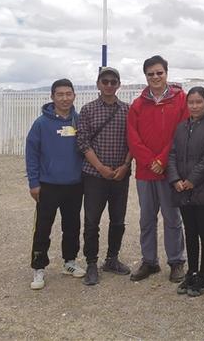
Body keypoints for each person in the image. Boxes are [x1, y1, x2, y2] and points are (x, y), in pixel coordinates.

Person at [127, 55, 188, 283]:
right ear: (146, 76)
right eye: (151, 74)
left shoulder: (180, 99)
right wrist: (148, 160)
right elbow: (132, 137)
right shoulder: (137, 104)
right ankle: (149, 261)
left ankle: (176, 261)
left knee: (172, 217)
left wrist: (162, 160)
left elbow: (181, 132)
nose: (155, 77)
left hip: (170, 170)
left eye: (159, 73)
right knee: (147, 219)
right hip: (145, 172)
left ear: (166, 73)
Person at [25, 78, 85, 290]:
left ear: (74, 96)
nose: (64, 98)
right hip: (48, 185)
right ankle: (38, 267)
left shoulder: (79, 121)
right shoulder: (41, 124)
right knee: (43, 227)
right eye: (60, 94)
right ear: (52, 97)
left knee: (72, 226)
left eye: (68, 94)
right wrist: (33, 183)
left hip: (74, 184)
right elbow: (31, 154)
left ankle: (69, 262)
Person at [77, 67, 132, 286]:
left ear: (119, 85)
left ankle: (112, 258)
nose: (109, 85)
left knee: (118, 220)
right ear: (98, 84)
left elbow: (134, 141)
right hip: (94, 175)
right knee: (92, 222)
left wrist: (125, 166)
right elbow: (83, 142)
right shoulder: (88, 110)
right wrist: (100, 168)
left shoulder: (128, 110)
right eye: (105, 81)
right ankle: (91, 262)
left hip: (120, 175)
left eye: (113, 81)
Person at [166, 87, 204, 297]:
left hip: (202, 188)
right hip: (182, 189)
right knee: (190, 231)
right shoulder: (181, 127)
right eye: (191, 102)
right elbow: (172, 154)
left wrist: (191, 180)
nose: (195, 106)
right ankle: (192, 271)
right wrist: (175, 179)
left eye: (199, 102)